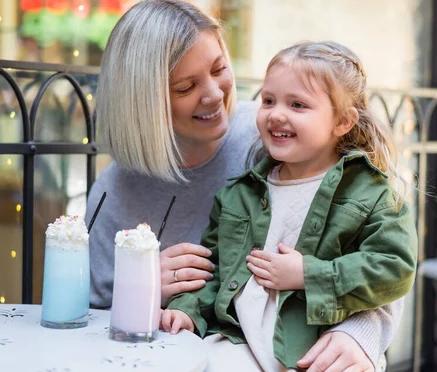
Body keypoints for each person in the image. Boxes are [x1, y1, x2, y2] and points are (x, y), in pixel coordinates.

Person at [88, 0, 404, 371]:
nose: (214, 94)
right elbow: (90, 315)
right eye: (186, 87)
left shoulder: (275, 140)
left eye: (219, 68)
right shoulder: (113, 191)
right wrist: (142, 285)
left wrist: (360, 335)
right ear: (143, 101)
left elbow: (382, 256)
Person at [160, 41, 418, 371]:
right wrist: (187, 311)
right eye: (268, 100)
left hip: (317, 349)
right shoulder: (239, 194)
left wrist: (308, 274)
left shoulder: (372, 193)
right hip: (240, 343)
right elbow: (213, 273)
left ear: (342, 122)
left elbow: (394, 268)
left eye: (297, 104)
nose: (276, 113)